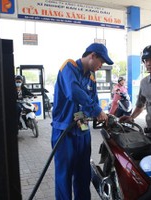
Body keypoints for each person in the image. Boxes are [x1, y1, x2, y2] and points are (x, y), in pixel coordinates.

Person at [51, 43, 114, 200]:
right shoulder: (69, 66)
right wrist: (96, 110)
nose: (101, 66)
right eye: (101, 61)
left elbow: (94, 100)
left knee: (83, 174)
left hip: (82, 129)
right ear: (92, 55)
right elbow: (74, 92)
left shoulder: (91, 77)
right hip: (64, 131)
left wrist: (101, 113)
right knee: (64, 175)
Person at [119, 44, 151, 128]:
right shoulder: (144, 82)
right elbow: (140, 105)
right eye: (146, 60)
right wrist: (131, 117)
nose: (148, 64)